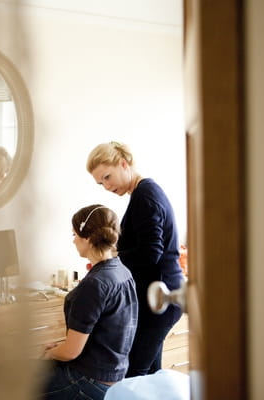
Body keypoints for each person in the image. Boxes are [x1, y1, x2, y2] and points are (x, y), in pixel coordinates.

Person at [86, 141, 184, 377]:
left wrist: (113, 257)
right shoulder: (143, 193)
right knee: (150, 374)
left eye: (108, 177)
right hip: (158, 297)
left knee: (134, 373)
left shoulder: (145, 196)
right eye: (101, 183)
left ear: (123, 163)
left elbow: (151, 253)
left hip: (161, 298)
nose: (107, 186)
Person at [38, 204, 138, 400]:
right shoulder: (122, 272)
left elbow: (70, 353)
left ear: (88, 238)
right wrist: (60, 347)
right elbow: (103, 333)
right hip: (114, 375)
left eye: (74, 234)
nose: (73, 240)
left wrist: (51, 353)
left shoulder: (94, 285)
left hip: (88, 380)